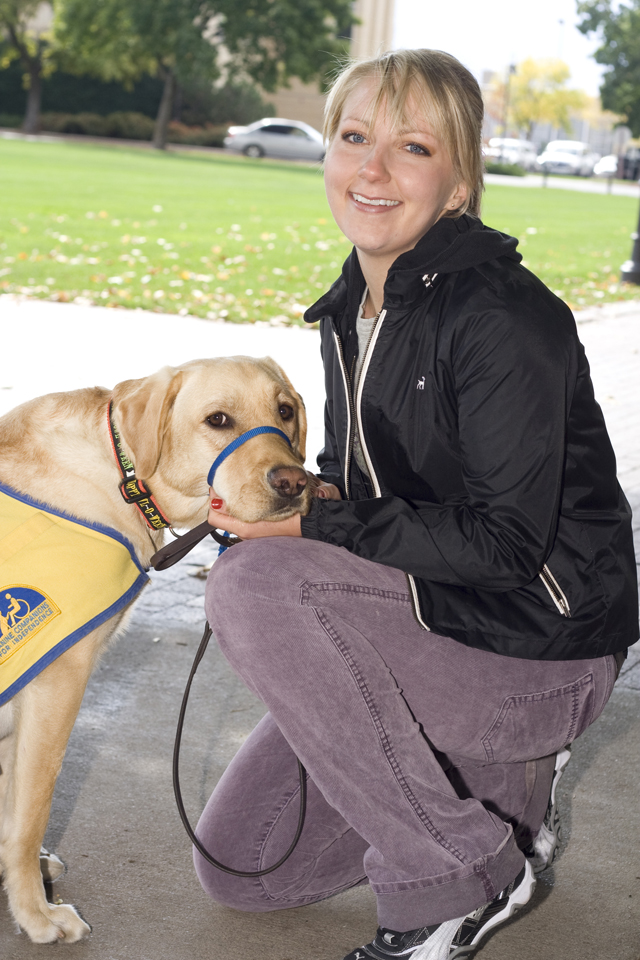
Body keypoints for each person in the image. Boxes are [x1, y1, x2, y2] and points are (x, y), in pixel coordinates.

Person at [196, 50, 638, 959]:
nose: (372, 169)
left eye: (411, 146)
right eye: (353, 138)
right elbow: (365, 491)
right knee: (245, 870)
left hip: (538, 650)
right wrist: (296, 497)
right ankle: (498, 797)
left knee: (257, 588)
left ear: (460, 181)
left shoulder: (507, 318)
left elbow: (509, 545)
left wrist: (314, 525)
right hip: (432, 618)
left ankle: (459, 878)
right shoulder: (355, 308)